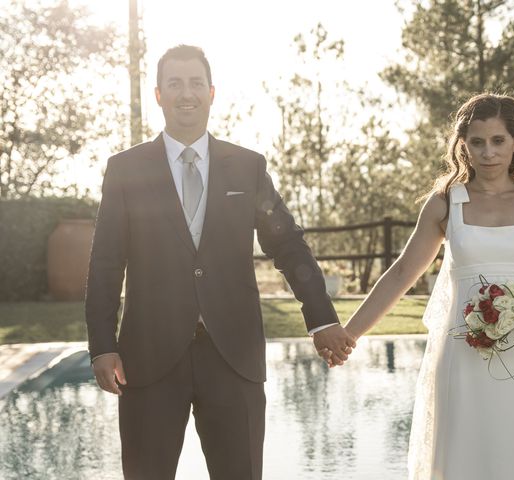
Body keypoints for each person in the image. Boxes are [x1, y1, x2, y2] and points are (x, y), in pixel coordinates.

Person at [85, 44, 355, 480]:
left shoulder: (247, 168)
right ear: (158, 94)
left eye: (195, 83)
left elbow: (287, 245)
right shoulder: (125, 169)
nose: (185, 93)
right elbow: (105, 263)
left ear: (212, 92)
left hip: (234, 356)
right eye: (174, 83)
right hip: (148, 359)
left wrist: (321, 318)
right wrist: (102, 344)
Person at [321, 94, 514, 479]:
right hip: (464, 357)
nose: (488, 152)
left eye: (498, 141)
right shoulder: (446, 202)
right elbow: (402, 272)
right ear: (463, 144)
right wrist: (349, 333)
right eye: (477, 142)